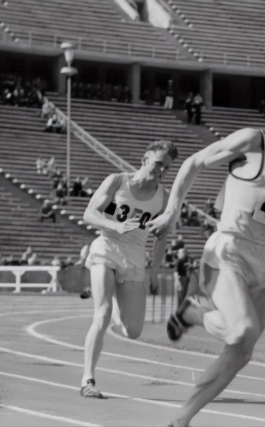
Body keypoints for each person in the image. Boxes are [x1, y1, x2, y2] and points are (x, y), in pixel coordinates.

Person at [147, 83, 265, 427]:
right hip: (229, 251)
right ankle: (190, 313)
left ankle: (180, 421)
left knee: (241, 352)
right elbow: (194, 162)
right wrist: (172, 211)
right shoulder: (254, 140)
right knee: (242, 330)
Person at [79, 140, 178, 398]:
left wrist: (154, 272)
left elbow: (162, 238)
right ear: (145, 159)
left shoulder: (164, 198)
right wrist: (116, 226)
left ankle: (107, 290)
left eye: (167, 168)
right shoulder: (117, 181)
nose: (162, 171)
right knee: (102, 313)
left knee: (132, 331)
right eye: (158, 164)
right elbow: (89, 214)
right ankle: (87, 379)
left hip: (135, 259)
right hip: (107, 247)